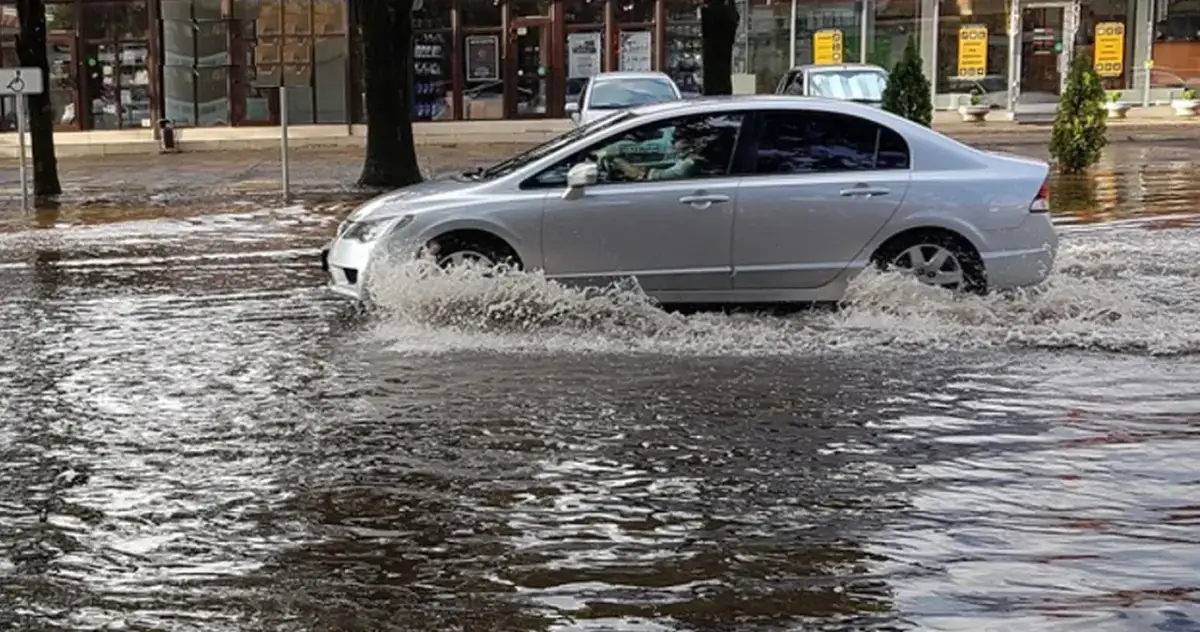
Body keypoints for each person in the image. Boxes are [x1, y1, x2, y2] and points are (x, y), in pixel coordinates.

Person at [595, 122, 710, 182]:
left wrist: (625, 166)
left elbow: (652, 176)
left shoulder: (691, 163)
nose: (672, 143)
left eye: (676, 140)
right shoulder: (686, 156)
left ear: (690, 143)